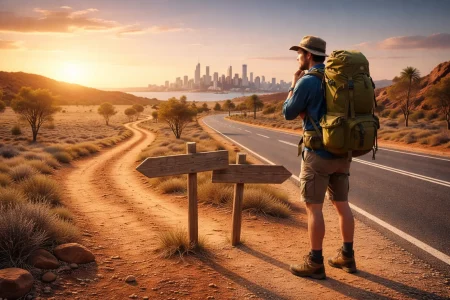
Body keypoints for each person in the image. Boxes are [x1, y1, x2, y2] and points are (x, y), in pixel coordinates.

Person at [282, 36, 357, 279]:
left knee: (314, 209)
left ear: (308, 55)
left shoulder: (308, 80)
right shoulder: (341, 78)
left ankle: (315, 262)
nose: (297, 57)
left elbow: (288, 112)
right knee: (342, 205)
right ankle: (347, 256)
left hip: (317, 155)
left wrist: (294, 84)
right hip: (342, 153)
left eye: (299, 53)